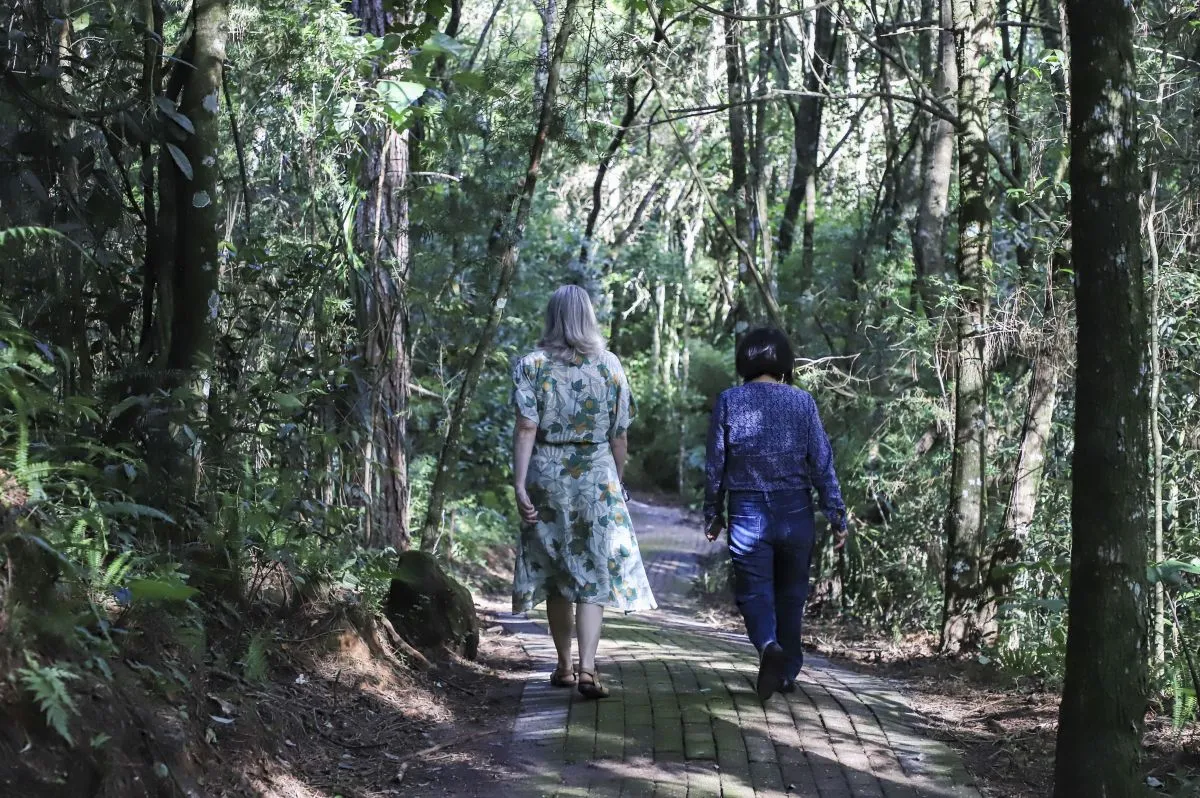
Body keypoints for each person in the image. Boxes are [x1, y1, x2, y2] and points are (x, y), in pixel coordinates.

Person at [511, 285, 656, 699]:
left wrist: (520, 482)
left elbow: (526, 428)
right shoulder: (610, 365)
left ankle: (563, 666)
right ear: (588, 317)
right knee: (593, 568)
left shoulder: (532, 365)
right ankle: (589, 668)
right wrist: (616, 479)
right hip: (596, 474)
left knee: (558, 569)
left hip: (548, 474)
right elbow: (620, 435)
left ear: (552, 316)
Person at [703, 327, 848, 701]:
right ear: (784, 360)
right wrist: (836, 513)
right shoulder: (803, 402)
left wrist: (712, 512)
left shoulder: (729, 400)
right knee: (792, 593)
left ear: (744, 360)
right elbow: (822, 462)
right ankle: (785, 673)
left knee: (755, 594)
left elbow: (716, 462)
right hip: (796, 511)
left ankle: (769, 646)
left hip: (748, 511)